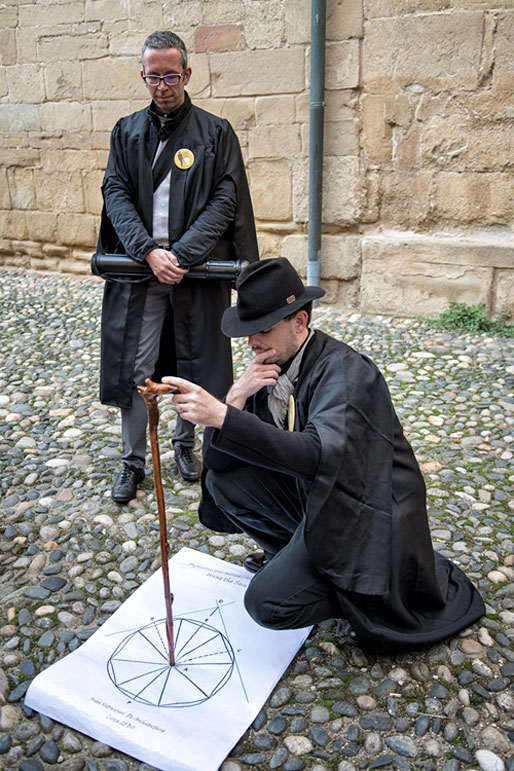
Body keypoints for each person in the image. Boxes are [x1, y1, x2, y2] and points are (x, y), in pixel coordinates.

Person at [162, 258, 485, 654]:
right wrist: (235, 400)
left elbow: (318, 454)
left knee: (265, 604)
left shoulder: (346, 373)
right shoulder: (271, 365)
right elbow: (220, 463)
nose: (252, 343)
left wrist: (222, 416)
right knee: (223, 483)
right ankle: (292, 558)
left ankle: (357, 596)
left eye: (262, 329)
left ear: (299, 322)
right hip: (318, 499)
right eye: (248, 332)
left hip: (364, 514)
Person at [96, 30, 258, 503]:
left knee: (195, 363)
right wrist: (147, 251)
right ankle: (131, 461)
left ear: (187, 74)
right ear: (143, 75)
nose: (162, 85)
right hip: (140, 270)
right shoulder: (126, 132)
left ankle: (186, 446)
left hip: (197, 273)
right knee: (136, 366)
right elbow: (116, 193)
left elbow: (226, 200)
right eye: (153, 76)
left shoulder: (215, 132)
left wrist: (183, 255)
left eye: (170, 75)